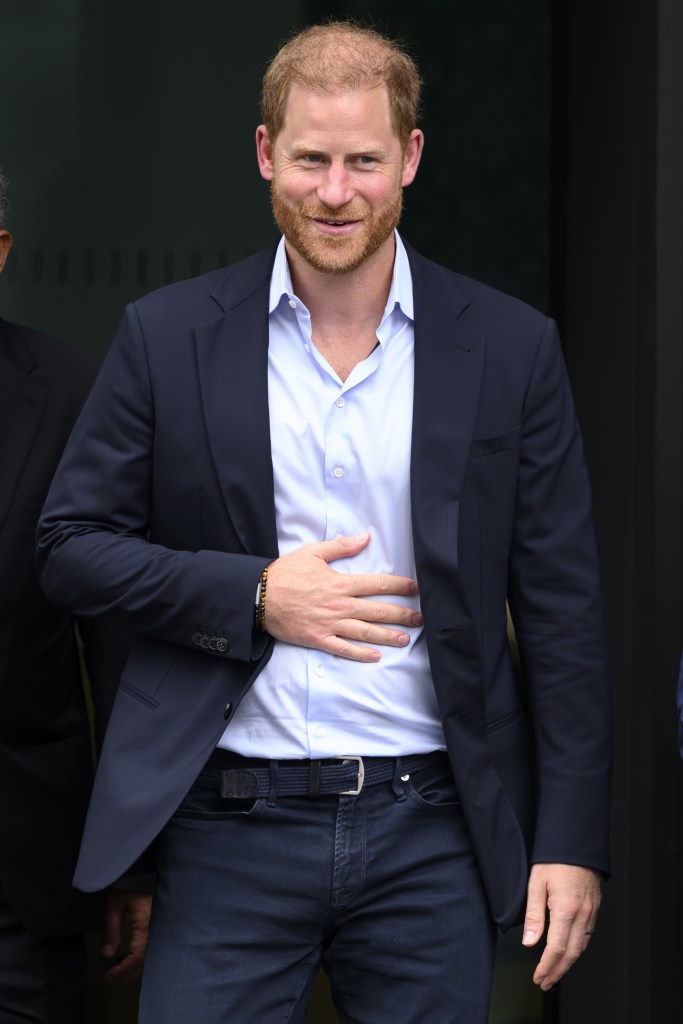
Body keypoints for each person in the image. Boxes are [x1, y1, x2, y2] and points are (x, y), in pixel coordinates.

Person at [35, 22, 612, 1024]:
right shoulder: (164, 337)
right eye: (309, 159)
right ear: (266, 153)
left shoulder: (513, 349)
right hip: (226, 826)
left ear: (411, 159)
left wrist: (568, 838)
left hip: (430, 827)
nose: (334, 192)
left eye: (362, 162)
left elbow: (563, 611)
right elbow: (68, 549)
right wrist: (256, 595)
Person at [0, 174, 150, 1023]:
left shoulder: (70, 393)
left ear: (2, 255)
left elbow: (120, 644)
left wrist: (131, 860)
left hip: (18, 883)